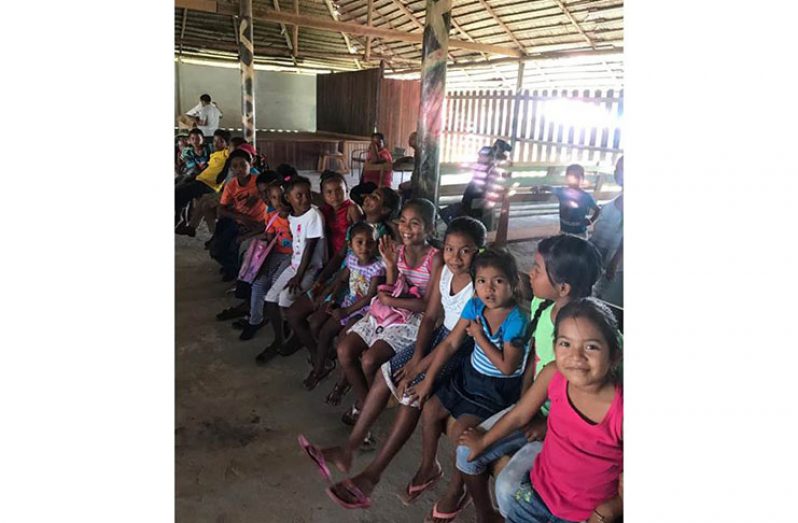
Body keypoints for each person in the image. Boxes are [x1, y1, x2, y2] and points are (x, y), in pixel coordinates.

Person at [299, 217, 486, 508]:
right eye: (450, 249)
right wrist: (417, 355)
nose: (455, 257)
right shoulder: (446, 273)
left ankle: (371, 476)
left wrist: (421, 367)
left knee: (412, 392)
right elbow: (429, 319)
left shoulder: (477, 286)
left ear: (479, 252)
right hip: (438, 337)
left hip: (460, 349)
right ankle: (349, 448)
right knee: (386, 372)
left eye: (466, 251)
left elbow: (454, 342)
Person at [445, 234, 603, 521]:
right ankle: (485, 513)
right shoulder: (542, 307)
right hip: (533, 407)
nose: (530, 272)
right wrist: (524, 400)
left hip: (559, 424)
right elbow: (535, 361)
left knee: (510, 488)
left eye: (538, 269)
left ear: (563, 287)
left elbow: (597, 392)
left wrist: (544, 420)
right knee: (465, 454)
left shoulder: (586, 332)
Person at [394, 248, 531, 521]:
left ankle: (456, 491)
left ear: (513, 282)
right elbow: (451, 342)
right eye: (481, 281)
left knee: (462, 434)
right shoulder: (476, 305)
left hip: (496, 389)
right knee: (431, 409)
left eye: (498, 281)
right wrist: (426, 379)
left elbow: (508, 366)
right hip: (469, 377)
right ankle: (428, 466)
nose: (489, 289)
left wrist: (479, 337)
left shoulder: (517, 319)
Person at [459, 298, 623, 523]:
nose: (576, 357)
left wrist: (611, 509)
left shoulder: (622, 410)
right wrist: (483, 440)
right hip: (535, 493)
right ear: (555, 346)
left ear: (614, 355)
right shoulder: (554, 374)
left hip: (585, 515)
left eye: (591, 346)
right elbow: (519, 414)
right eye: (565, 344)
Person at [335, 199, 442, 426]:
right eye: (402, 221)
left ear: (430, 228)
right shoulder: (397, 250)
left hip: (413, 319)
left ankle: (365, 409)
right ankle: (367, 404)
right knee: (344, 350)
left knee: (369, 360)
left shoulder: (436, 258)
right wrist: (391, 267)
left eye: (414, 224)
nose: (406, 228)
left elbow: (428, 305)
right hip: (388, 310)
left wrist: (392, 299)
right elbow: (391, 286)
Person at [300, 222, 385, 390]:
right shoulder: (352, 259)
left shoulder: (378, 267)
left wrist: (345, 311)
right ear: (350, 245)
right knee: (324, 333)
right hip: (348, 303)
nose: (365, 247)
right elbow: (341, 279)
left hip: (365, 312)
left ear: (376, 244)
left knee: (343, 342)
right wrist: (330, 297)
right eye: (359, 242)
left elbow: (369, 297)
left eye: (370, 242)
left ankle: (343, 382)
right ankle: (319, 368)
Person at [255, 176, 327, 364]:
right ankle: (279, 338)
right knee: (271, 298)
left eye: (307, 194)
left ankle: (298, 337)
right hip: (295, 265)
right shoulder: (294, 216)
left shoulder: (314, 215)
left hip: (309, 268)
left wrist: (299, 276)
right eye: (299, 195)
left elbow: (309, 249)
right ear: (289, 197)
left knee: (285, 299)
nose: (305, 199)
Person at [236, 179, 294, 340]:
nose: (279, 201)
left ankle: (283, 321)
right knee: (258, 283)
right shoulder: (272, 216)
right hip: (275, 254)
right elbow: (269, 237)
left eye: (282, 196)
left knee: (277, 283)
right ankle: (255, 320)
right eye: (274, 198)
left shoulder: (297, 218)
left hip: (292, 256)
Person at [210, 149, 269, 281]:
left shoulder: (258, 182)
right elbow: (221, 209)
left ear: (251, 164)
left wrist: (258, 194)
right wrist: (240, 217)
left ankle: (234, 270)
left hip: (258, 223)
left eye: (243, 165)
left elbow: (271, 191)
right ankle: (230, 267)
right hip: (238, 220)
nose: (239, 169)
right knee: (216, 248)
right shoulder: (231, 186)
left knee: (236, 245)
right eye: (235, 166)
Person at [174, 129, 231, 228]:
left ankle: (180, 217)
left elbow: (235, 151)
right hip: (198, 178)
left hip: (208, 184)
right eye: (215, 141)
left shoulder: (225, 153)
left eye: (220, 141)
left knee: (179, 191)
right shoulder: (214, 154)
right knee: (179, 187)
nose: (216, 143)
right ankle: (180, 216)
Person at [590, 156, 623, 307]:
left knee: (606, 301)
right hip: (597, 256)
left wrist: (616, 261)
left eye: (623, 169)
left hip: (611, 265)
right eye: (617, 169)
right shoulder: (612, 203)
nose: (618, 173)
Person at [540, 164, 600, 239]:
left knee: (578, 250)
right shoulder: (562, 192)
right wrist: (541, 187)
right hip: (564, 232)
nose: (574, 179)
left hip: (579, 234)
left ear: (582, 179)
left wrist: (590, 221)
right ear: (566, 178)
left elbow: (597, 210)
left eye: (577, 176)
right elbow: (550, 188)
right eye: (571, 176)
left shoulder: (586, 197)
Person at [319, 172, 363, 256]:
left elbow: (361, 236)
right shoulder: (323, 210)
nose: (334, 195)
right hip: (330, 254)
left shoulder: (352, 209)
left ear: (346, 190)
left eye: (338, 190)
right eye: (329, 192)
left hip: (349, 254)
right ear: (322, 195)